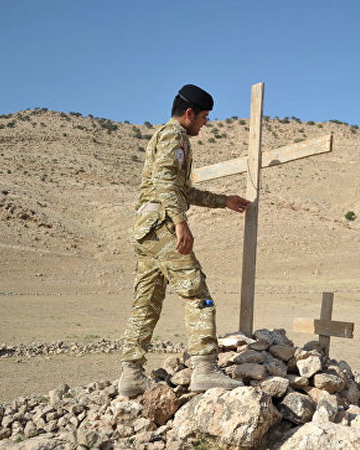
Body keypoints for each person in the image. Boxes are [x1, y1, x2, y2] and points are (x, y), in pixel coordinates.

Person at [119, 84, 250, 398]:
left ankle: (131, 374)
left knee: (146, 303)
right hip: (163, 226)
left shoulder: (165, 137)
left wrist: (223, 201)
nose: (205, 123)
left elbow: (183, 191)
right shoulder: (174, 137)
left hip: (146, 230)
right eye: (204, 117)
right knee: (197, 294)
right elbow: (165, 181)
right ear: (189, 113)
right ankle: (205, 368)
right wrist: (180, 223)